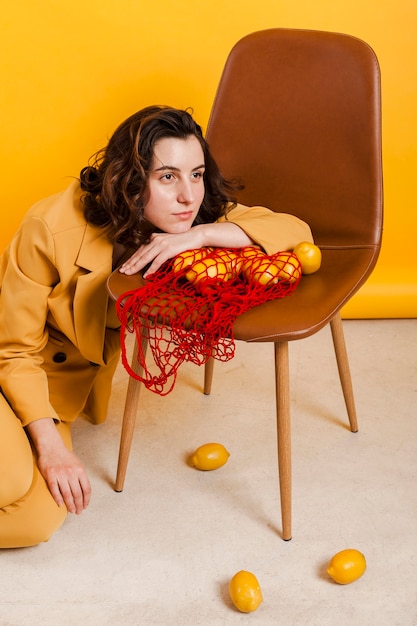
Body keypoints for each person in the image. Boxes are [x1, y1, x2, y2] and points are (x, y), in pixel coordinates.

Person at [0, 105, 313, 548]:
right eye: (168, 177)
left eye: (197, 174)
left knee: (36, 522)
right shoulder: (48, 228)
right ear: (129, 180)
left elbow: (294, 228)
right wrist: (51, 451)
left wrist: (200, 236)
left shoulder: (188, 218)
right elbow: (13, 352)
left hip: (53, 392)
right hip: (11, 369)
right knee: (10, 483)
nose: (189, 196)